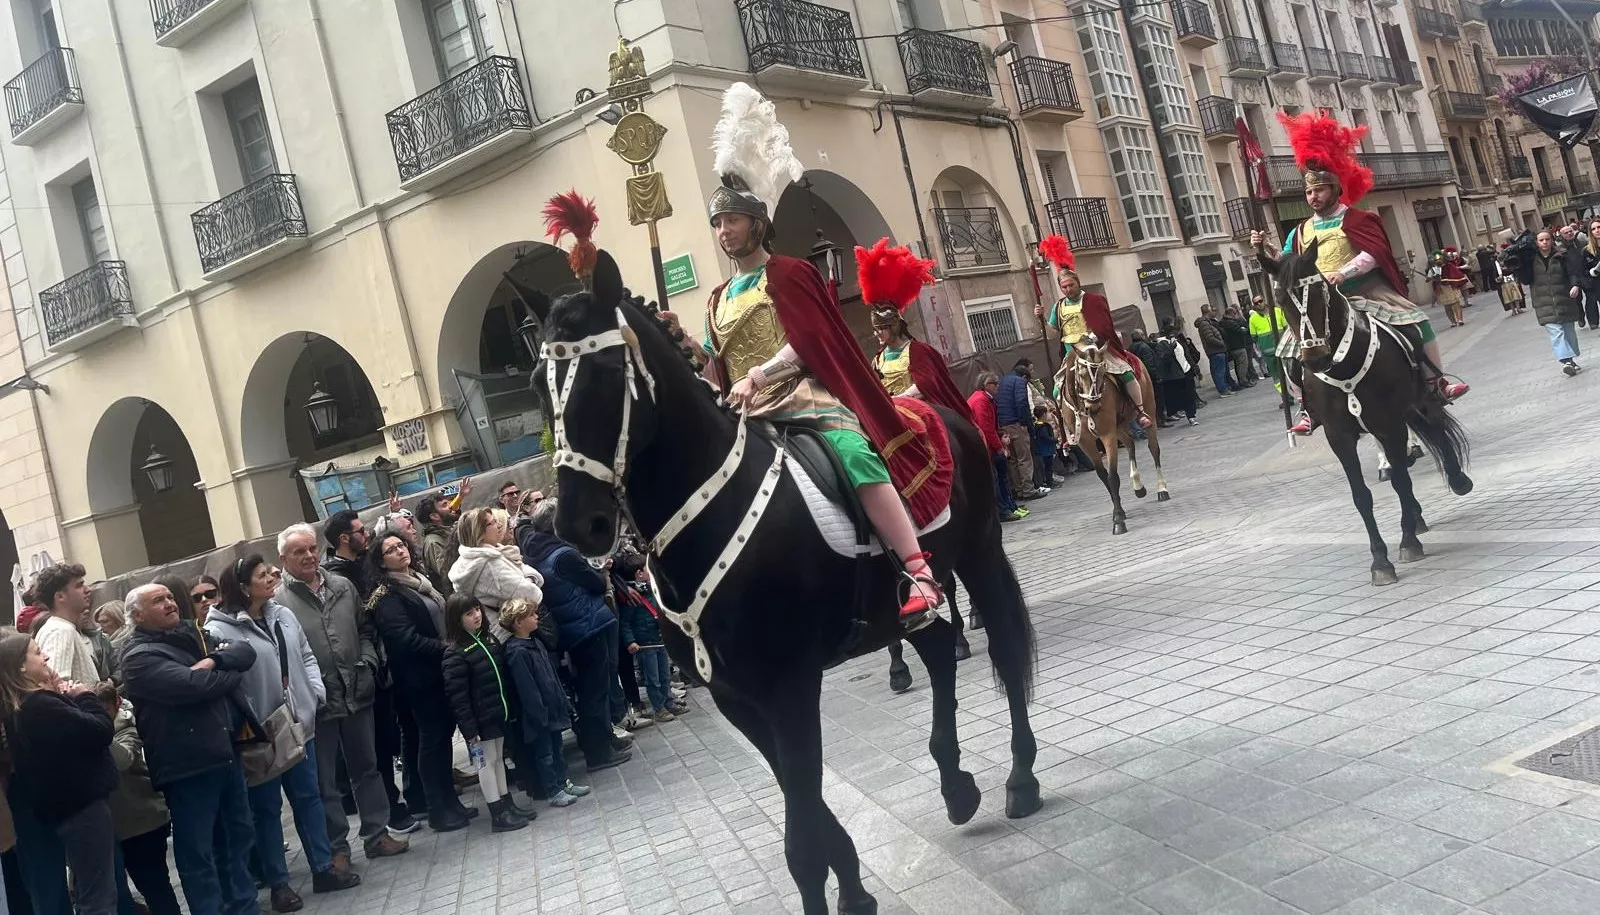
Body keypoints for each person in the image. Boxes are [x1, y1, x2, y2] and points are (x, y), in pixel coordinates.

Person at [699, 85, 948, 628]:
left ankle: (917, 570)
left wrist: (760, 374)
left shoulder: (788, 273)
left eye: (732, 221)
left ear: (756, 223)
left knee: (854, 455)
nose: (724, 232)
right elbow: (718, 365)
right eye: (718, 224)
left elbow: (811, 342)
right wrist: (682, 346)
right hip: (745, 409)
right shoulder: (717, 297)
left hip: (802, 395)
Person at [1252, 111, 1469, 436]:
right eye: (1309, 193)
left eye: (1320, 191)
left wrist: (1343, 272)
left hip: (1363, 290)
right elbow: (1288, 262)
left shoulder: (1358, 219)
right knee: (1287, 352)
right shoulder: (1299, 230)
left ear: (1335, 190)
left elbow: (1373, 253)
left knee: (1416, 321)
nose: (1313, 197)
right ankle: (1308, 408)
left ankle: (1435, 380)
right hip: (1318, 300)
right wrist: (1266, 248)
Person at [206, 556, 359, 910]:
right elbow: (228, 681)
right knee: (267, 810)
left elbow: (305, 654)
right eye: (262, 575)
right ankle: (279, 883)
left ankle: (323, 868)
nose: (272, 576)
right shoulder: (219, 629)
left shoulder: (282, 613)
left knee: (309, 798)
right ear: (243, 587)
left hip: (298, 724)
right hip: (260, 734)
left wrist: (314, 694)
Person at [120, 583, 260, 915]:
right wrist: (228, 674)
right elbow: (192, 686)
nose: (170, 603)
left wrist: (213, 661)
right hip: (187, 766)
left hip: (226, 752)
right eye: (158, 601)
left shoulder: (192, 633)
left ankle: (244, 907)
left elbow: (245, 651)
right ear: (137, 616)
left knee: (237, 837)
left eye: (169, 597)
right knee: (198, 852)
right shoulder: (138, 656)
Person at [274, 525, 409, 869]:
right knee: (326, 782)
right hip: (316, 705)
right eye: (298, 552)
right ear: (283, 559)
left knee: (367, 768)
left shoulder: (342, 586)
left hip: (356, 689)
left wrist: (367, 662)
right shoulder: (278, 602)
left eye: (310, 548)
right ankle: (337, 848)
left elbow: (364, 628)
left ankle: (377, 835)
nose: (307, 556)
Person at [0, 632, 118, 915]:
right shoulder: (38, 705)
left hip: (58, 807)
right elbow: (100, 731)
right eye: (38, 652)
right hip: (80, 805)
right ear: (21, 666)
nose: (47, 657)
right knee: (97, 895)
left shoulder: (22, 707)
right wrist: (85, 695)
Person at [366, 532, 476, 832]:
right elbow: (405, 639)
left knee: (443, 738)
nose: (400, 551)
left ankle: (451, 801)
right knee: (432, 740)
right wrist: (447, 648)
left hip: (440, 670)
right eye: (391, 550)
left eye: (401, 545)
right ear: (381, 560)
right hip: (418, 678)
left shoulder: (418, 579)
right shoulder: (386, 595)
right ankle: (437, 808)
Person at [517, 500, 635, 770]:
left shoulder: (534, 549)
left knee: (591, 688)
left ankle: (604, 738)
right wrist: (599, 569)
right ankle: (598, 752)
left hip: (573, 625)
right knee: (595, 690)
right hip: (586, 624)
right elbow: (594, 583)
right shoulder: (564, 555)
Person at [1033, 234, 1154, 428]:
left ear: (1078, 283)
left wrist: (1090, 339)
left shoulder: (1093, 300)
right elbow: (1052, 334)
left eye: (1070, 285)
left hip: (1095, 350)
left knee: (1126, 373)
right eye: (1063, 287)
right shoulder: (1058, 307)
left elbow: (1104, 326)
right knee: (1057, 391)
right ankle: (1068, 425)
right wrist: (1042, 320)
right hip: (1070, 353)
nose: (1067, 289)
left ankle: (1140, 411)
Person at [440, 594, 531, 833]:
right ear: (456, 620)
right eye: (469, 614)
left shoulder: (487, 639)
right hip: (480, 721)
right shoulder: (455, 653)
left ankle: (506, 803)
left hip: (497, 713)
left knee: (498, 758)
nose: (477, 616)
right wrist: (469, 729)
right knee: (486, 763)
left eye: (477, 610)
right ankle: (497, 812)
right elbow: (457, 697)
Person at [858, 238, 972, 420]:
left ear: (894, 326)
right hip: (891, 413)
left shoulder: (918, 351)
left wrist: (898, 401)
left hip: (919, 410)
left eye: (881, 328)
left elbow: (926, 384)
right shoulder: (878, 359)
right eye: (875, 328)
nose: (877, 333)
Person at [98, 681, 182, 915]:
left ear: (116, 704)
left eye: (102, 712)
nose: (99, 718)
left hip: (143, 823)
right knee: (120, 896)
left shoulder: (125, 725)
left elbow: (122, 760)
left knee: (155, 887)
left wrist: (99, 731)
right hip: (113, 828)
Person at [498, 599, 591, 808]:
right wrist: (539, 713)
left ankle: (563, 782)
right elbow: (527, 688)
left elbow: (552, 675)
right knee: (545, 753)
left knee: (557, 749)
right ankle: (553, 789)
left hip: (553, 707)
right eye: (531, 615)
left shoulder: (535, 643)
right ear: (519, 622)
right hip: (539, 714)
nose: (537, 617)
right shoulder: (517, 651)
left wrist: (562, 700)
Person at [448, 507, 545, 639]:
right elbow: (533, 594)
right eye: (492, 523)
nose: (499, 525)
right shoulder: (490, 565)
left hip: (502, 631)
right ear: (479, 533)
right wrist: (530, 579)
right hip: (514, 634)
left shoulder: (475, 558)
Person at [613, 554, 683, 723]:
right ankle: (659, 708)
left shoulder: (653, 590)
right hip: (645, 644)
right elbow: (625, 623)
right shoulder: (632, 597)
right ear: (639, 574)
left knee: (665, 675)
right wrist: (630, 641)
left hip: (659, 640)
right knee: (653, 679)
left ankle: (669, 701)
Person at [1520, 230, 1584, 376]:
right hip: (1543, 303)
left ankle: (1571, 359)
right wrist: (1519, 265)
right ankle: (1566, 362)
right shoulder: (1531, 259)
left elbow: (1572, 273)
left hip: (1564, 299)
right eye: (1541, 240)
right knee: (1556, 333)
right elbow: (1525, 279)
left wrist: (1575, 285)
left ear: (1552, 240)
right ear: (1536, 242)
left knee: (1569, 333)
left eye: (1547, 239)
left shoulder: (1561, 255)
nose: (1544, 242)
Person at [31, 561, 102, 686]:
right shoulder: (60, 631)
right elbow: (55, 685)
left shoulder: (60, 628)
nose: (88, 589)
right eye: (79, 585)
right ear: (60, 597)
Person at [966, 374, 1024, 523]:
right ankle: (1003, 510)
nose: (998, 387)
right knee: (997, 479)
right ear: (987, 385)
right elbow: (986, 428)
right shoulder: (981, 400)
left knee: (1001, 477)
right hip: (985, 446)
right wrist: (1000, 447)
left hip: (988, 444)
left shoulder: (985, 399)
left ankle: (1009, 505)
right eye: (995, 384)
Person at [993, 360, 1046, 499]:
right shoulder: (1019, 381)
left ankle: (1019, 490)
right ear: (1024, 377)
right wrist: (1025, 423)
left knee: (1013, 459)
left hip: (1003, 425)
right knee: (1024, 458)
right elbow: (1022, 402)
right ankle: (1028, 490)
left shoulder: (1002, 380)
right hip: (1016, 423)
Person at [1153, 324, 1197, 426]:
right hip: (1176, 375)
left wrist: (1194, 368)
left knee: (1191, 395)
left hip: (1186, 370)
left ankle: (1192, 416)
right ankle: (1186, 414)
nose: (1174, 335)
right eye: (1172, 333)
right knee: (1182, 396)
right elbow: (1164, 360)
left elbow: (1186, 355)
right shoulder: (1161, 345)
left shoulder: (1178, 342)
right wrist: (1171, 349)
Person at [322, 511, 371, 596]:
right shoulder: (339, 578)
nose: (367, 535)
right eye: (362, 531)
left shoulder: (361, 557)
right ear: (344, 538)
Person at [1249, 296, 1289, 393]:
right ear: (1254, 305)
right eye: (1256, 303)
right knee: (1276, 377)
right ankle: (1285, 397)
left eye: (1260, 301)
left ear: (1264, 301)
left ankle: (1297, 395)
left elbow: (1286, 327)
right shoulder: (1253, 318)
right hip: (1268, 352)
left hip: (1283, 349)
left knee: (1289, 373)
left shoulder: (1278, 311)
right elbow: (1253, 336)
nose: (1259, 304)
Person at [1192, 305, 1234, 396]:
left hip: (1217, 350)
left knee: (1221, 371)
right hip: (1215, 351)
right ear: (1207, 311)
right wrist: (1221, 343)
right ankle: (1223, 390)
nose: (1213, 311)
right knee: (1219, 372)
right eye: (1211, 309)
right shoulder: (1204, 324)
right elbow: (1209, 337)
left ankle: (1225, 388)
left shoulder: (1208, 322)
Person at [1220, 306, 1256, 388]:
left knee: (1238, 364)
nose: (1235, 315)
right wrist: (1244, 329)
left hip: (1233, 346)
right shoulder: (1230, 322)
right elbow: (1240, 330)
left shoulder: (1223, 322)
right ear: (1231, 313)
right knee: (1243, 363)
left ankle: (1242, 380)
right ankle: (1243, 380)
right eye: (1234, 313)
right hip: (1238, 345)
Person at [1436, 246, 1469, 327]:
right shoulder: (1434, 269)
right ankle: (1453, 322)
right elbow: (1431, 279)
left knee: (1456, 304)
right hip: (1443, 289)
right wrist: (1435, 278)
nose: (1438, 261)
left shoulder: (1449, 266)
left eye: (1440, 259)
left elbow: (1456, 275)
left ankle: (1460, 320)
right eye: (1437, 260)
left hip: (1451, 287)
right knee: (1447, 306)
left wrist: (1451, 281)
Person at [1029, 406, 1058, 492]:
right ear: (1044, 414)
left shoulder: (1036, 425)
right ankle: (1049, 482)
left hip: (1042, 450)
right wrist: (1054, 440)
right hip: (1046, 450)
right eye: (1048, 413)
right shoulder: (1043, 427)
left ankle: (1048, 481)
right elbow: (1045, 437)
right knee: (1048, 467)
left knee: (1046, 467)